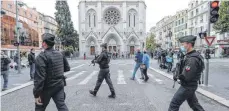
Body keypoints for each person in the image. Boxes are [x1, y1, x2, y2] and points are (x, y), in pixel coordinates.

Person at [33, 33, 70, 111]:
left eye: (42, 42)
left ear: (44, 43)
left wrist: (36, 94)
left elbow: (40, 79)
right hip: (59, 85)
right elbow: (67, 68)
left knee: (39, 108)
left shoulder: (41, 57)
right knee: (61, 105)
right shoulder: (60, 54)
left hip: (47, 88)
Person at [168, 35, 205, 111]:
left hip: (187, 86)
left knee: (174, 104)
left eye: (183, 44)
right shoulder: (189, 56)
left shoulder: (192, 59)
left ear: (189, 44)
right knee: (194, 105)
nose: (182, 46)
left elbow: (187, 76)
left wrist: (177, 76)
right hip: (190, 86)